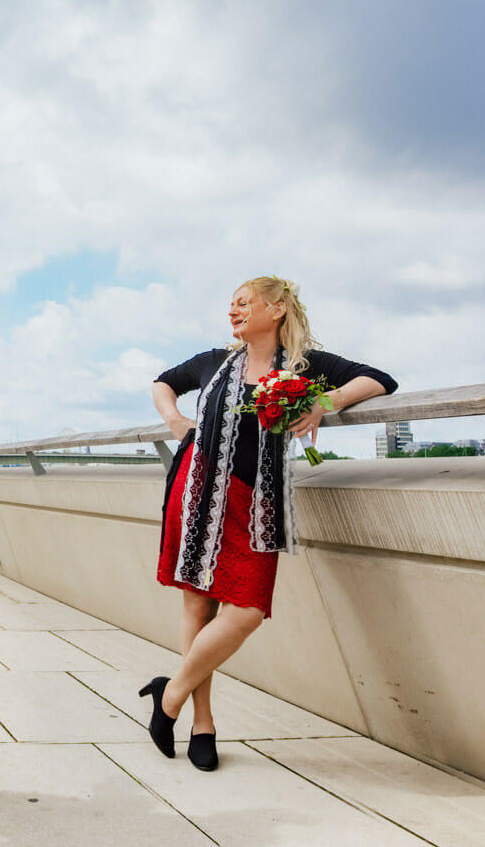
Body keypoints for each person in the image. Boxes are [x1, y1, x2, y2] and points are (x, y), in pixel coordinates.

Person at [141, 276, 395, 771]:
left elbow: (378, 379)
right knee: (199, 606)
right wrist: (176, 421)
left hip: (257, 502)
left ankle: (168, 696)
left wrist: (325, 402)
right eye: (230, 304)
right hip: (198, 490)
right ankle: (202, 723)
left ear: (276, 309)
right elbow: (162, 383)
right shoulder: (214, 361)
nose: (233, 311)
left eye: (243, 303)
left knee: (247, 612)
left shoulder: (304, 366)